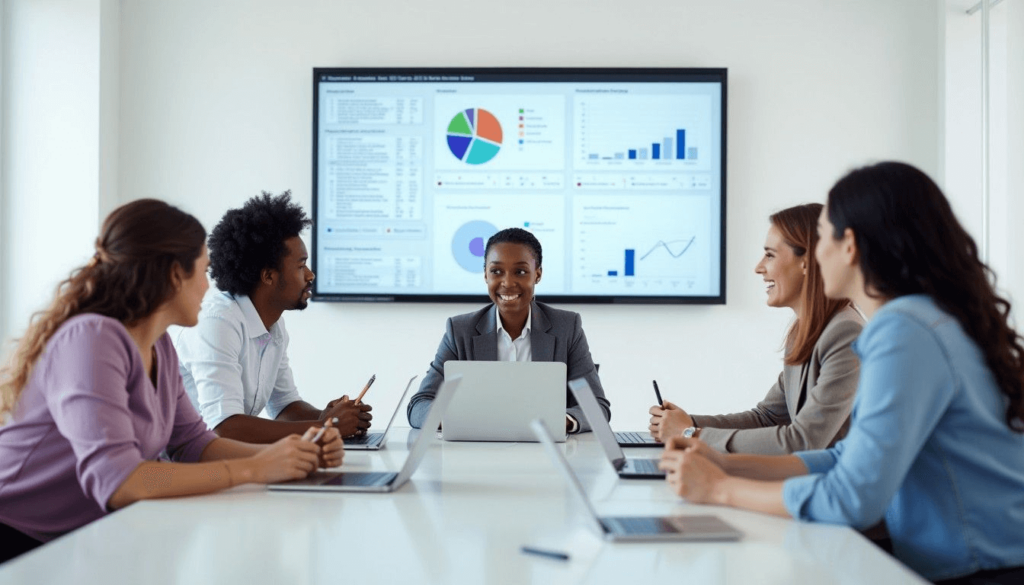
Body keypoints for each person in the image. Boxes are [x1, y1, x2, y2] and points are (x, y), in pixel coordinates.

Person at [659, 162, 1024, 584]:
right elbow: (842, 459)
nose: (816, 253)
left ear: (849, 245)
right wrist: (725, 462)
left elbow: (853, 497)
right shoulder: (932, 318)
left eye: (823, 235)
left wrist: (720, 489)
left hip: (978, 572)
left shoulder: (904, 330)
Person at [0, 199, 341, 562]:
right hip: (18, 539)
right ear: (175, 275)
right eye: (204, 272)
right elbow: (122, 481)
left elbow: (193, 444)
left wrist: (292, 458)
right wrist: (256, 468)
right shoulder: (91, 339)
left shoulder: (159, 344)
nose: (209, 288)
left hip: (80, 538)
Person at [648, 204, 863, 454]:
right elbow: (768, 417)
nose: (759, 267)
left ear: (807, 262)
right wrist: (688, 422)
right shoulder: (803, 333)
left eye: (770, 255)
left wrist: (691, 434)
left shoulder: (846, 333)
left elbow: (804, 440)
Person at [173, 192, 372, 443]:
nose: (310, 275)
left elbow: (284, 407)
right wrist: (326, 426)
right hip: (175, 469)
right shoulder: (218, 323)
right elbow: (225, 427)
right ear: (268, 276)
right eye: (301, 266)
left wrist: (330, 416)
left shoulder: (273, 325)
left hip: (220, 460)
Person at [407, 227, 610, 433]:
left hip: (547, 453)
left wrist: (560, 421)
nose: (507, 282)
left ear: (537, 274)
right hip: (476, 456)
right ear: (485, 275)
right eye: (496, 272)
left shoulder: (567, 327)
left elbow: (597, 408)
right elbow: (419, 405)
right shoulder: (460, 331)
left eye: (520, 272)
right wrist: (453, 419)